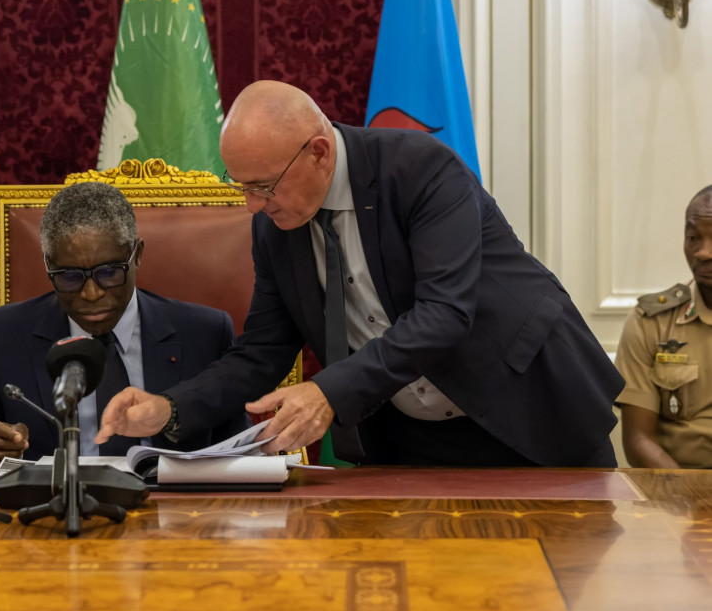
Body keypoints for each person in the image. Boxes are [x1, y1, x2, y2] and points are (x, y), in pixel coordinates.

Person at [96, 80, 624, 467]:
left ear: (319, 153)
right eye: (242, 187)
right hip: (412, 440)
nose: (253, 206)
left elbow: (443, 315)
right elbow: (262, 352)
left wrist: (328, 391)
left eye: (263, 185)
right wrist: (169, 407)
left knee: (562, 603)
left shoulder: (420, 171)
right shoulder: (276, 228)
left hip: (526, 407)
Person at [0, 182, 248, 468]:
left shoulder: (204, 333)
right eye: (70, 276)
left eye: (109, 273)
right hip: (48, 513)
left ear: (137, 255)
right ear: (48, 265)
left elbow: (237, 448)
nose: (91, 294)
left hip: (173, 515)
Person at [614, 186, 712, 469]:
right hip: (678, 496)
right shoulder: (651, 323)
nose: (704, 252)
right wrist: (691, 503)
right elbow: (638, 440)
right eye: (694, 237)